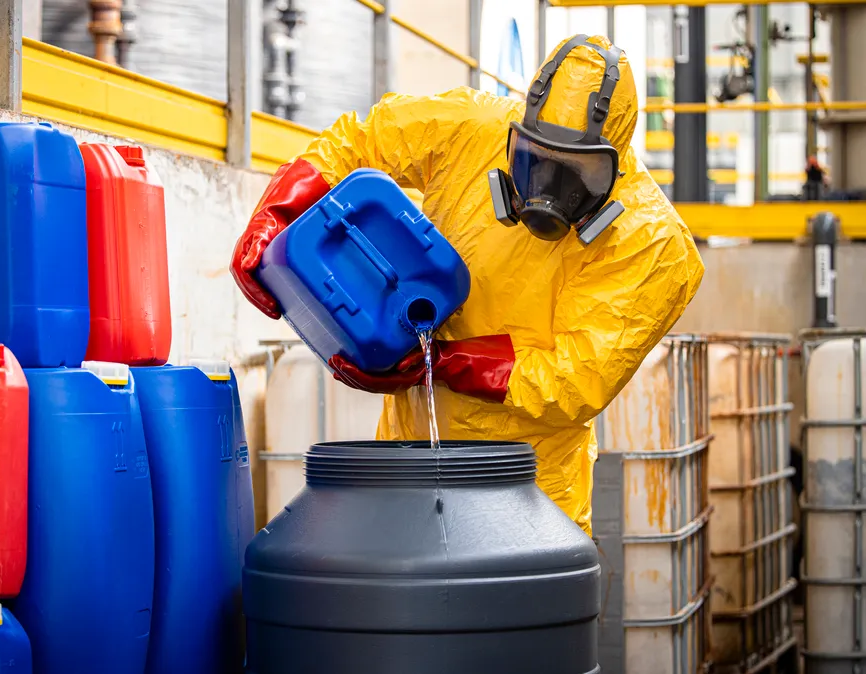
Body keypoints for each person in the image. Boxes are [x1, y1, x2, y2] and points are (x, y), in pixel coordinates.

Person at [229, 34, 704, 536]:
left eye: (575, 174)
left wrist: (438, 362)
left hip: (529, 494)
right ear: (519, 131)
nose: (546, 189)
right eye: (534, 158)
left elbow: (573, 379)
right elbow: (365, 139)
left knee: (511, 611)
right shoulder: (473, 130)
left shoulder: (652, 244)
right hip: (408, 464)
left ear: (615, 165)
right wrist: (277, 211)